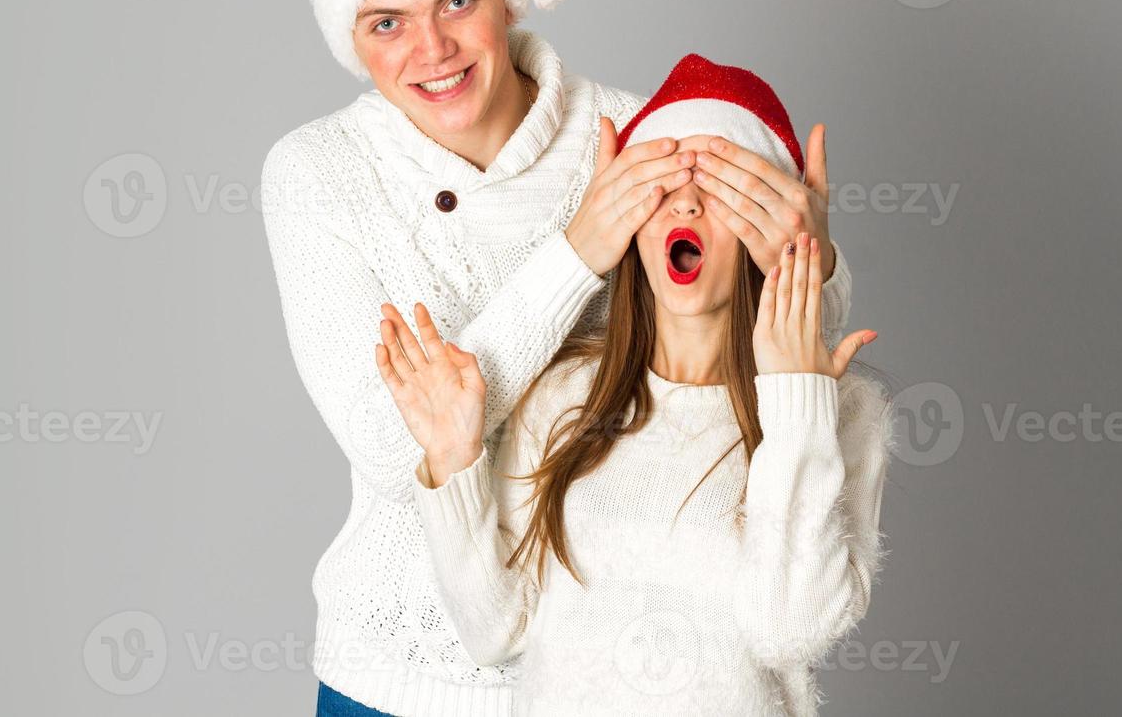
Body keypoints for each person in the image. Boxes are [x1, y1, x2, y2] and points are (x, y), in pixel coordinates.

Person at [261, 0, 860, 717]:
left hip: (616, 672)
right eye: (386, 21)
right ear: (353, 41)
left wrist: (808, 254)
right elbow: (397, 448)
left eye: (458, 0)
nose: (431, 48)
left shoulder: (630, 132)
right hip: (403, 674)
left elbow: (790, 351)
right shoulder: (317, 173)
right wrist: (577, 253)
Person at [381, 54, 892, 717]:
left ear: (767, 226)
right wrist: (454, 457)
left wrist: (796, 397)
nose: (685, 199)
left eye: (718, 181)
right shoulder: (565, 395)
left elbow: (788, 629)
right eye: (663, 177)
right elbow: (494, 631)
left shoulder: (837, 410)